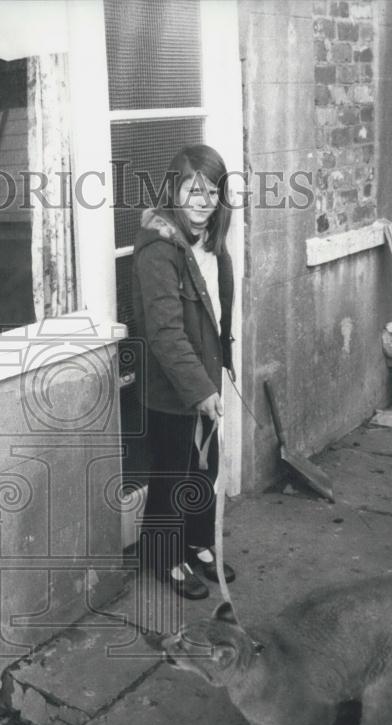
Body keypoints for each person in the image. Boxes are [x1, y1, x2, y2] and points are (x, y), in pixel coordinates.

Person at [132, 144, 237, 600]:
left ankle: (196, 542)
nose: (203, 201)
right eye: (193, 191)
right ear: (175, 190)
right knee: (173, 472)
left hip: (205, 379)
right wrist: (198, 389)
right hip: (172, 387)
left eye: (212, 192)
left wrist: (218, 373)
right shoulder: (160, 251)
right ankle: (163, 556)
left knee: (204, 467)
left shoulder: (212, 247)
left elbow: (215, 316)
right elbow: (165, 334)